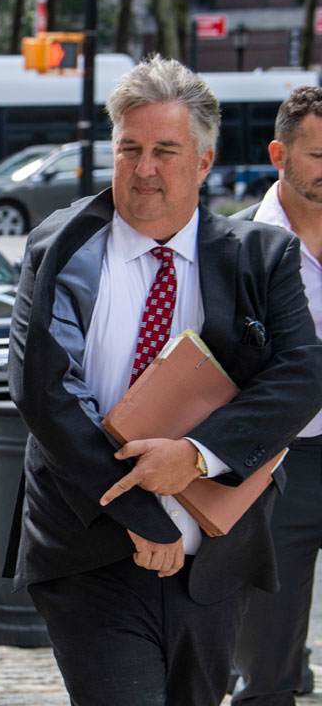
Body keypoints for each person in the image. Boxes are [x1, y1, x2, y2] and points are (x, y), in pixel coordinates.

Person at [6, 55, 322, 706]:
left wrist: (194, 457)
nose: (144, 169)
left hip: (216, 557)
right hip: (90, 544)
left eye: (165, 151)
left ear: (204, 163)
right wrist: (143, 514)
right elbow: (46, 393)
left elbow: (301, 375)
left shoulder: (260, 257)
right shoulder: (58, 249)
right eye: (130, 149)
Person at [231, 87, 322, 705]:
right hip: (279, 469)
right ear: (278, 154)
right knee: (265, 672)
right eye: (319, 154)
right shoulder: (235, 247)